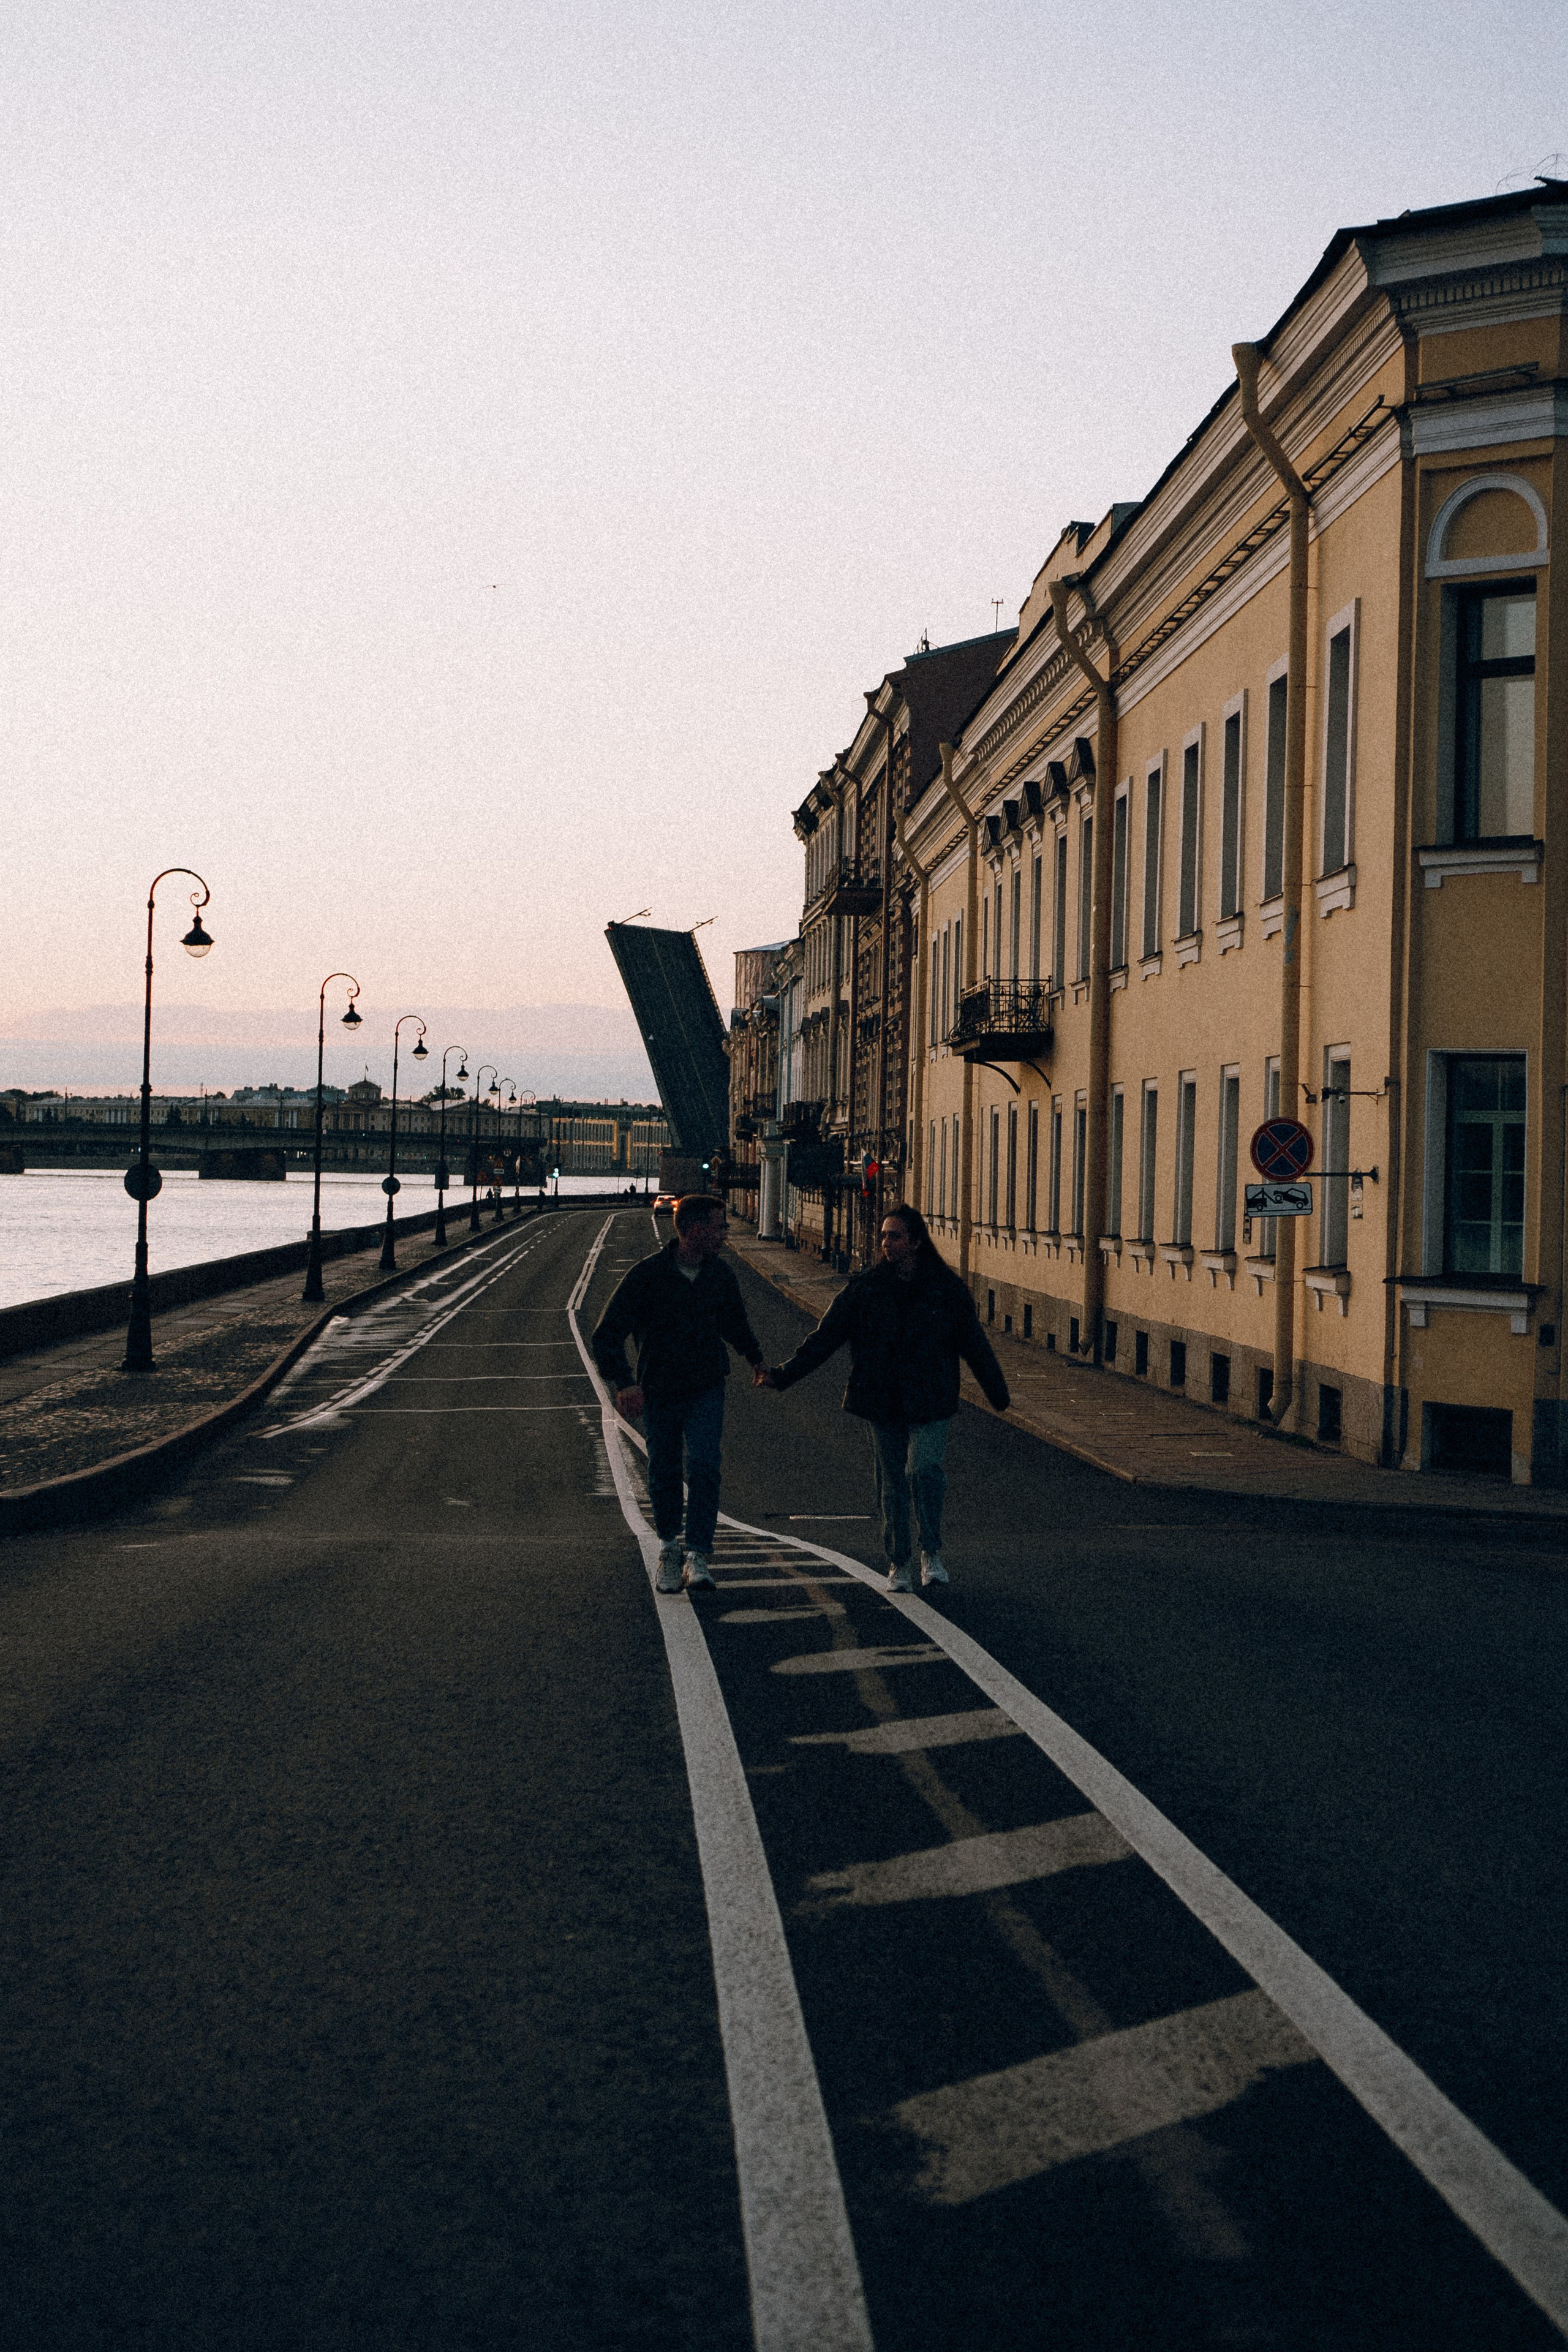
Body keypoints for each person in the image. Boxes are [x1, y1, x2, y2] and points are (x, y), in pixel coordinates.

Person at [762, 1202, 1009, 1593]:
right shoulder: (866, 1289)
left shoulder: (946, 1290)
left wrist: (997, 1393)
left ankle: (931, 1551)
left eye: (894, 1236)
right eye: (883, 1236)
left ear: (915, 1241)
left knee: (923, 1470)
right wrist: (784, 1375)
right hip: (883, 1398)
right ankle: (900, 1561)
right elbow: (826, 1338)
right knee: (892, 1482)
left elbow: (975, 1345)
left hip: (932, 1397)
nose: (886, 1243)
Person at [592, 1193, 768, 1593]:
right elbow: (607, 1334)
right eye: (719, 1226)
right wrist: (625, 1383)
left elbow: (735, 1323)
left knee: (705, 1465)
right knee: (665, 1469)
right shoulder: (648, 1276)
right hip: (660, 1390)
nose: (725, 1234)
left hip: (707, 1386)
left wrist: (756, 1359)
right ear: (695, 1230)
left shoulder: (720, 1275)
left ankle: (698, 1555)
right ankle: (669, 1548)